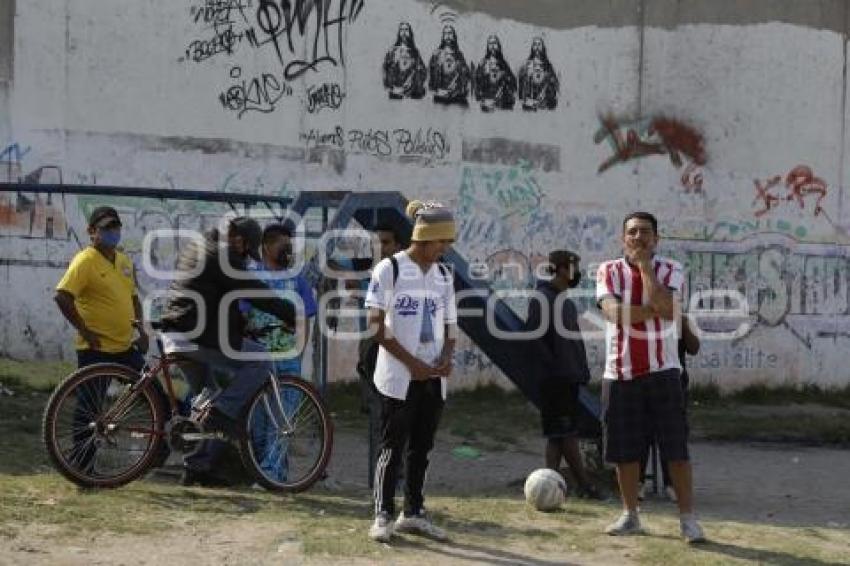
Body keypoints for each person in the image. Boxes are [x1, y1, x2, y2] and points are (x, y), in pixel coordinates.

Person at [159, 216, 296, 487]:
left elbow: (219, 297)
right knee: (259, 360)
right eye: (247, 250)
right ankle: (221, 416)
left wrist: (241, 327)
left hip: (179, 332)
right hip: (194, 336)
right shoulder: (223, 255)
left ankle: (197, 466)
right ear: (238, 239)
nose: (246, 257)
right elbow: (254, 291)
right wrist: (288, 311)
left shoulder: (203, 247)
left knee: (208, 394)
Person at [595, 211, 705, 543]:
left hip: (664, 372)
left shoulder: (671, 269)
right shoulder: (607, 271)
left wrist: (644, 270)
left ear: (657, 239)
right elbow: (614, 314)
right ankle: (630, 514)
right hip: (620, 373)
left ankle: (687, 519)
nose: (638, 238)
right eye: (632, 232)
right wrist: (655, 310)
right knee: (624, 450)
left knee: (675, 448)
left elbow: (666, 304)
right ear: (622, 238)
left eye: (645, 232)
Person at [366, 201, 457, 543]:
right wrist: (411, 363)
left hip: (434, 377)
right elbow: (375, 325)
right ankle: (382, 512)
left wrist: (447, 357)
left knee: (422, 447)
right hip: (398, 377)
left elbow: (450, 325)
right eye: (440, 242)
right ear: (424, 236)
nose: (444, 249)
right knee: (392, 446)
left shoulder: (443, 275)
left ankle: (413, 512)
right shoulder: (388, 270)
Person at [54, 206, 148, 472]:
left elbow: (132, 299)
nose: (112, 233)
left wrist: (141, 331)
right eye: (106, 229)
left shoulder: (124, 262)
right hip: (95, 349)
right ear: (92, 232)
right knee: (89, 410)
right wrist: (84, 330)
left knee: (153, 394)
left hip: (124, 347)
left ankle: (156, 452)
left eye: (115, 228)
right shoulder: (85, 261)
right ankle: (82, 467)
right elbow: (62, 296)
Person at [241, 223, 318, 483]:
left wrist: (299, 351)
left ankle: (271, 475)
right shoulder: (251, 277)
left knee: (282, 424)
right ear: (266, 247)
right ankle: (268, 473)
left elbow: (305, 319)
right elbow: (240, 316)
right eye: (282, 245)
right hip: (257, 361)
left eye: (290, 245)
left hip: (287, 362)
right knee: (259, 423)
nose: (288, 251)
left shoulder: (297, 280)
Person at [526, 250, 601, 499]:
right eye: (573, 267)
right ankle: (585, 485)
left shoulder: (564, 301)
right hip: (555, 380)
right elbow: (534, 338)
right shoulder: (542, 298)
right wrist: (553, 368)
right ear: (559, 268)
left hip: (569, 377)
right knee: (567, 434)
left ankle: (549, 486)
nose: (577, 273)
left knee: (558, 435)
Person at [356, 223, 406, 486]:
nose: (381, 248)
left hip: (397, 352)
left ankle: (396, 476)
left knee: (399, 416)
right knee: (379, 418)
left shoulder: (405, 275)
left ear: (398, 245)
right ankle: (383, 477)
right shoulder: (373, 272)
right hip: (373, 354)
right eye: (377, 243)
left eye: (386, 242)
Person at [639, 314, 700, 501]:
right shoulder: (642, 317)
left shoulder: (679, 319)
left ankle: (671, 483)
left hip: (673, 384)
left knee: (673, 435)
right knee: (641, 433)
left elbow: (694, 348)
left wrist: (682, 323)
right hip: (643, 380)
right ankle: (638, 482)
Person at [428, 25, 471, 106]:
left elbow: (466, 76)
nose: (448, 36)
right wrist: (437, 91)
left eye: (450, 33)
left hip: (458, 98)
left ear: (454, 36)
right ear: (443, 36)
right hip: (440, 98)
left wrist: (462, 89)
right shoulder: (436, 54)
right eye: (445, 33)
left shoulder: (459, 55)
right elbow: (431, 79)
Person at [383, 22, 427, 99]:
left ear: (410, 33)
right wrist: (392, 88)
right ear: (399, 33)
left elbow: (422, 71)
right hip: (395, 92)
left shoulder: (415, 52)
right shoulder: (392, 51)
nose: (404, 32)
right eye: (401, 30)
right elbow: (385, 70)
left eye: (406, 30)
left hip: (411, 93)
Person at [473, 35, 517, 111]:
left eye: (494, 43)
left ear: (498, 46)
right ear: (487, 46)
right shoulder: (482, 63)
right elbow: (477, 84)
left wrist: (503, 75)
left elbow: (512, 83)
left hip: (502, 103)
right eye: (490, 44)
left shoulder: (504, 64)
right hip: (487, 102)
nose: (493, 46)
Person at [517, 37, 559, 111]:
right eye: (535, 44)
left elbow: (554, 83)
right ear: (532, 47)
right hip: (529, 101)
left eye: (539, 44)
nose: (537, 47)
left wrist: (546, 77)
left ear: (542, 47)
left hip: (544, 102)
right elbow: (521, 83)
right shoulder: (526, 64)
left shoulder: (548, 65)